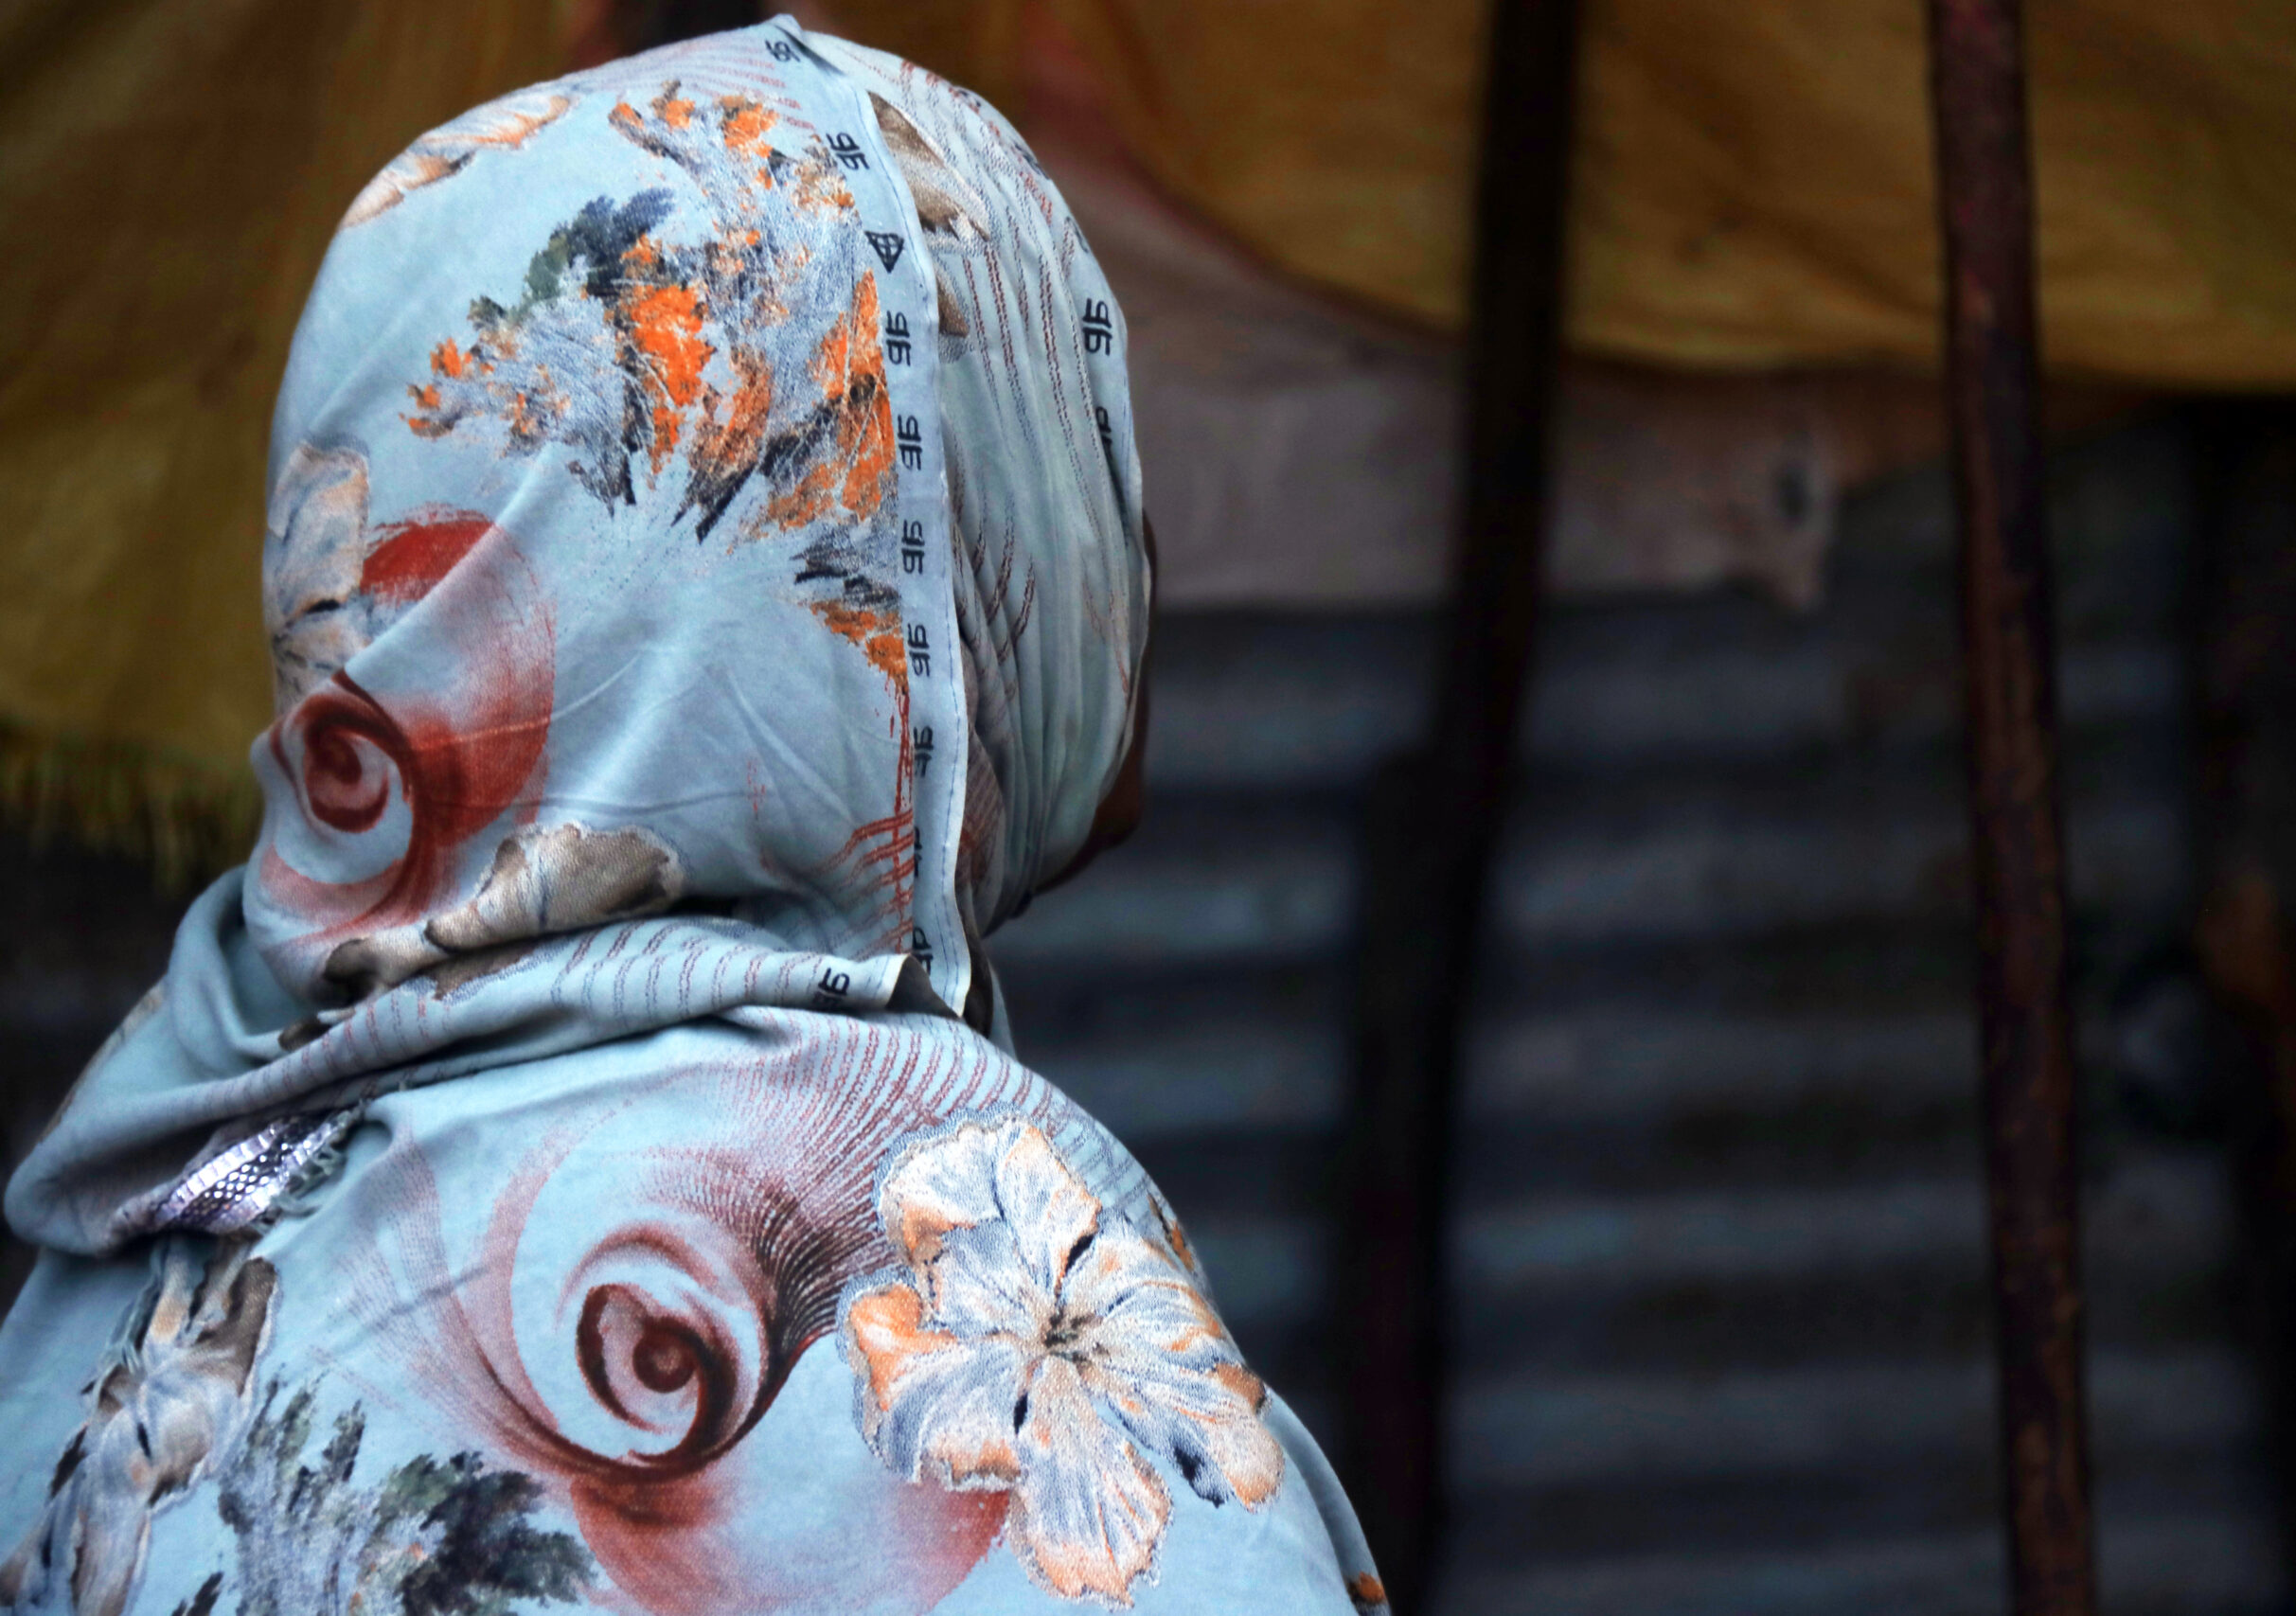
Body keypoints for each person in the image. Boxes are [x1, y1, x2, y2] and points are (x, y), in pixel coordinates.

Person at [0, 24, 1387, 1616]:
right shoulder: (936, 1297)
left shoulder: (167, 1200)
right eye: (1060, 447)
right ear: (878, 602)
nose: (1136, 551)